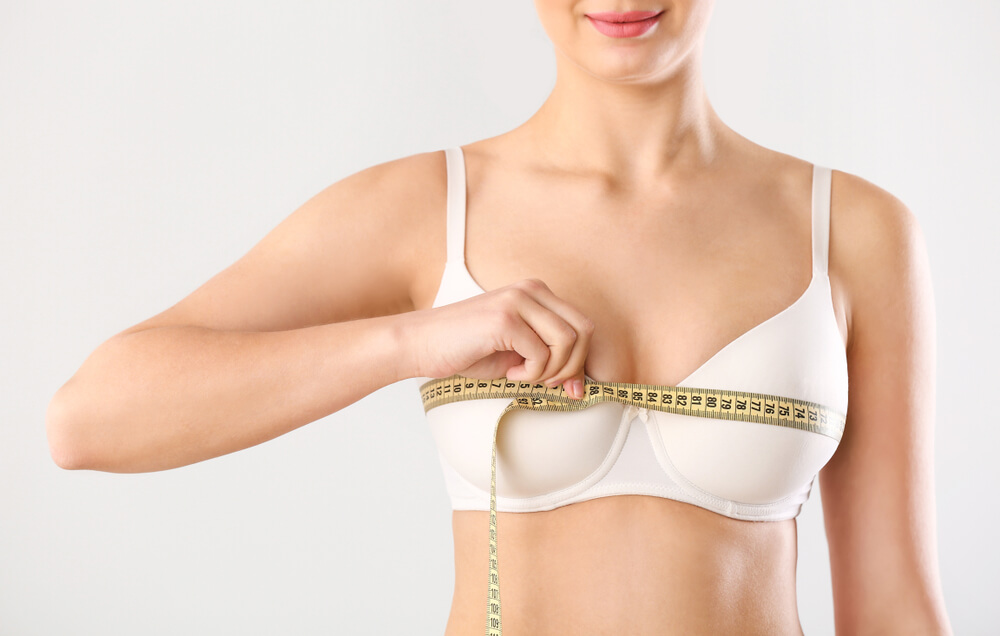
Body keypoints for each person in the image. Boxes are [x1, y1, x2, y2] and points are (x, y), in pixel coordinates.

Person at [46, 1, 952, 634]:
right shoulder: (431, 208)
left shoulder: (855, 231)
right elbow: (88, 420)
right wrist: (412, 341)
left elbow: (895, 611)